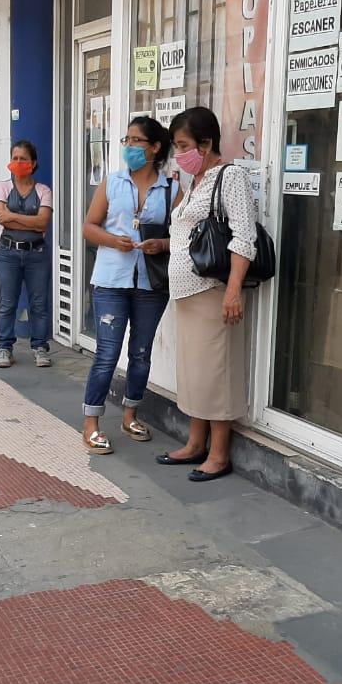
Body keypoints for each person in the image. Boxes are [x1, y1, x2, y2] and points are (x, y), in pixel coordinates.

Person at [155, 107, 257, 483]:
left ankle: (219, 453)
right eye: (176, 146)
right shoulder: (194, 180)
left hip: (212, 292)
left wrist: (233, 292)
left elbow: (244, 237)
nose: (179, 153)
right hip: (185, 295)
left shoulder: (230, 177)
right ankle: (196, 443)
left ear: (206, 143)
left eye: (184, 146)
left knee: (216, 372)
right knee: (194, 373)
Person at [78, 116, 176, 454]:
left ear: (155, 147)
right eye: (127, 140)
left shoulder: (171, 189)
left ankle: (130, 415)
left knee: (141, 353)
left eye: (136, 141)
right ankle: (91, 422)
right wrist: (111, 240)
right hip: (111, 280)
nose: (129, 146)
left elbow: (182, 236)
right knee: (107, 352)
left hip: (151, 282)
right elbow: (89, 227)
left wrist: (161, 244)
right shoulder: (113, 182)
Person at [0, 140, 53, 367]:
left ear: (33, 163)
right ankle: (4, 348)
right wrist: (29, 221)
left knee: (39, 303)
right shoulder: (2, 187)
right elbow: (1, 218)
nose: (18, 162)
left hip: (37, 253)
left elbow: (43, 222)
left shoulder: (43, 190)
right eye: (14, 158)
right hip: (7, 253)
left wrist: (13, 216)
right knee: (8, 303)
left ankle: (40, 347)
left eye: (23, 159)